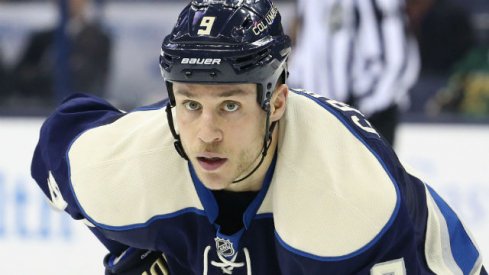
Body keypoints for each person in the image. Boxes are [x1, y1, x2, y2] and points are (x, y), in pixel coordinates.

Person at [31, 0, 486, 274]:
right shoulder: (131, 159)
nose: (206, 134)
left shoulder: (346, 203)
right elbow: (56, 146)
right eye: (190, 104)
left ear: (278, 103)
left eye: (230, 106)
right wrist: (129, 249)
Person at [288, 0, 420, 145]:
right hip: (316, 113)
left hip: (364, 117)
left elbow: (396, 60)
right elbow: (304, 46)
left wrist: (359, 112)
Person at [10, 0, 111, 107]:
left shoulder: (99, 40)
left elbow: (95, 80)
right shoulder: (41, 39)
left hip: (82, 107)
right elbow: (20, 76)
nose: (71, 2)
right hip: (42, 107)